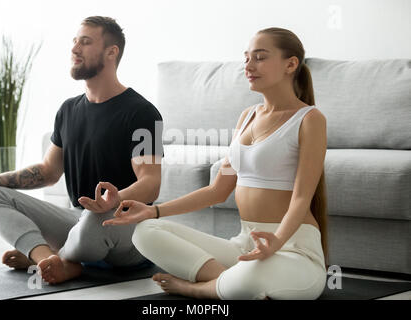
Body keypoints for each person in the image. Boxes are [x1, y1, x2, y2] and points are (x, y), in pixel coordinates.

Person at [98, 27, 329, 300]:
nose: (248, 65)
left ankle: (199, 288)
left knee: (251, 277)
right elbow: (217, 191)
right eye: (246, 58)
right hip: (245, 243)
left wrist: (276, 241)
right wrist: (153, 212)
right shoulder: (247, 117)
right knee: (145, 232)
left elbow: (302, 198)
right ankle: (226, 282)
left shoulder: (310, 119)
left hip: (292, 249)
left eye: (260, 57)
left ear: (291, 64)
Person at [0, 16, 164, 285]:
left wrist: (113, 201)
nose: (74, 48)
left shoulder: (143, 112)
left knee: (95, 217)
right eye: (74, 41)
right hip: (79, 222)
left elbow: (151, 183)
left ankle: (62, 258)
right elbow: (48, 172)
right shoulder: (68, 110)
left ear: (111, 52)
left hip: (125, 226)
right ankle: (47, 259)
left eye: (85, 42)